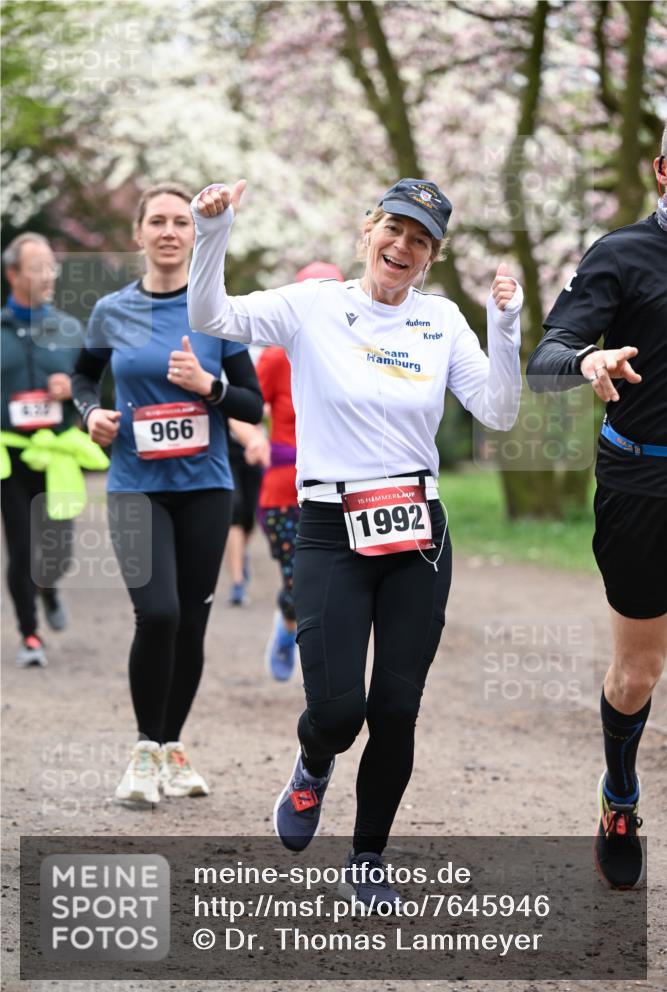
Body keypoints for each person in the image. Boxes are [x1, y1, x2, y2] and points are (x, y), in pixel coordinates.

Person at [188, 176, 522, 908]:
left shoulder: (440, 323)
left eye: (420, 240)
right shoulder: (314, 307)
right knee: (338, 714)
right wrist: (212, 231)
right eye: (393, 230)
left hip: (417, 534)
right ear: (366, 230)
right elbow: (210, 314)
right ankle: (312, 764)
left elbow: (497, 411)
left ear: (431, 257)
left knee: (396, 709)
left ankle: (367, 856)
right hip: (330, 529)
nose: (402, 246)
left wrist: (506, 325)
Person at [71, 182, 263, 807]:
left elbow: (252, 405)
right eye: (157, 221)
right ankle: (142, 752)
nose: (170, 232)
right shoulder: (111, 311)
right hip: (134, 487)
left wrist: (207, 386)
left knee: (192, 622)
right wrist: (88, 415)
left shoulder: (215, 312)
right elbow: (81, 376)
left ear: (195, 233)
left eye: (182, 221)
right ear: (139, 234)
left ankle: (172, 750)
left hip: (206, 487)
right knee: (158, 614)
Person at [526, 127, 667, 890]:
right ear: (661, 170)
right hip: (641, 488)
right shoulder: (620, 254)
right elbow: (543, 362)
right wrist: (586, 359)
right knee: (637, 673)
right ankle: (619, 795)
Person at [232, 261, 344, 681]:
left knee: (337, 584)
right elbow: (242, 411)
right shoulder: (277, 357)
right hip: (284, 487)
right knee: (300, 580)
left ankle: (320, 658)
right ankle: (289, 621)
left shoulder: (360, 352)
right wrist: (254, 439)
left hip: (345, 487)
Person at [1, 233, 83, 666]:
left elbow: (91, 389)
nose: (49, 275)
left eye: (52, 266)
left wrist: (71, 389)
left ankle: (48, 588)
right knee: (20, 545)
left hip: (58, 456)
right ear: (13, 274)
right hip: (11, 455)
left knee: (56, 552)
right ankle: (29, 635)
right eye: (38, 267)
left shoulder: (69, 330)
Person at [224, 422, 263, 606]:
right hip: (225, 453)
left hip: (253, 451)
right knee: (236, 511)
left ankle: (240, 554)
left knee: (249, 518)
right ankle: (237, 582)